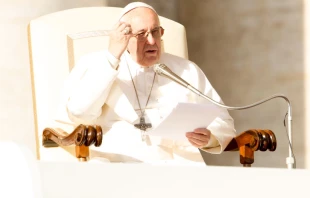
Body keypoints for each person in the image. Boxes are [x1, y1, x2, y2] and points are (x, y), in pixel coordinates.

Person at [54, 2, 236, 165]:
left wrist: (210, 138)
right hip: (118, 164)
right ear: (125, 36)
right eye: (141, 34)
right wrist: (111, 59)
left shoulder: (186, 70)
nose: (151, 41)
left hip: (178, 166)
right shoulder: (96, 64)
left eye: (156, 31)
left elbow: (223, 120)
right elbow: (80, 113)